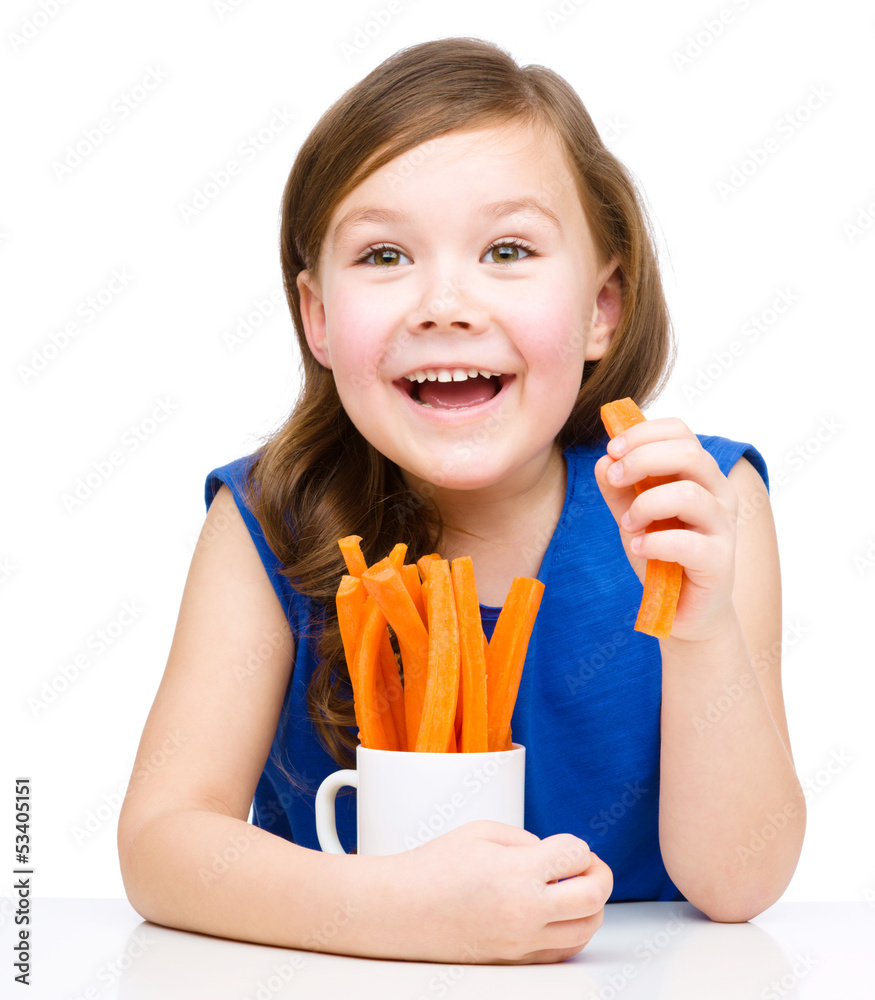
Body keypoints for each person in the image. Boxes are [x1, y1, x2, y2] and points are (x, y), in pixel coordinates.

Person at [117, 36, 805, 965]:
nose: (445, 302)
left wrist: (702, 628)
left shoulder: (702, 503)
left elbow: (738, 885)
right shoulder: (264, 521)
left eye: (508, 249)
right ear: (317, 317)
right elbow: (160, 845)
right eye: (386, 254)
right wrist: (400, 912)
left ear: (603, 306)